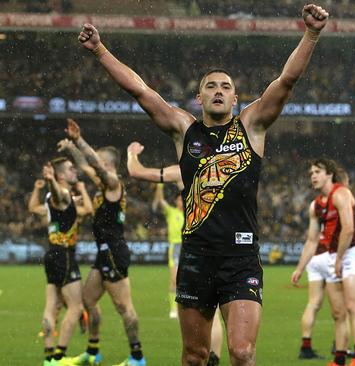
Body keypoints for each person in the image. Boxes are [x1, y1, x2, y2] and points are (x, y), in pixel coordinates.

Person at [78, 4, 329, 365]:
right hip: (196, 257)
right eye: (210, 86)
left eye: (225, 87)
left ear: (235, 98)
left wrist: (311, 34)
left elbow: (286, 81)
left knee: (242, 352)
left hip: (240, 258)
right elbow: (141, 91)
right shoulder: (185, 130)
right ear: (199, 98)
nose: (218, 91)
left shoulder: (251, 126)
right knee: (195, 356)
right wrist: (101, 51)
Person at [126, 141, 224, 366]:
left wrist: (132, 154)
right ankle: (214, 359)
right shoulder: (226, 172)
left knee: (198, 314)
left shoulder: (185, 171)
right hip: (220, 247)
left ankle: (198, 358)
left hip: (194, 250)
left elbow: (136, 172)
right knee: (216, 312)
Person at [58, 120, 146, 366]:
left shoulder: (113, 184)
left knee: (123, 306)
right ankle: (93, 352)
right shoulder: (101, 185)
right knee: (86, 301)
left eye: (98, 159)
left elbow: (92, 164)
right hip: (103, 253)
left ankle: (137, 357)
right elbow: (86, 166)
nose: (94, 161)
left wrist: (79, 141)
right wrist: (71, 148)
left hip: (114, 253)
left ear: (106, 164)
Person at [291, 159, 355, 366]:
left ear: (329, 174)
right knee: (338, 312)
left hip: (351, 254)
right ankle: (340, 359)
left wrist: (339, 259)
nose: (313, 176)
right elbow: (311, 240)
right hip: (335, 257)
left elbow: (349, 229)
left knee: (352, 306)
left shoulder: (341, 194)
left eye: (317, 172)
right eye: (311, 173)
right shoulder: (315, 205)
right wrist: (299, 268)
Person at [29, 158, 92, 366]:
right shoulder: (62, 194)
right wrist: (50, 181)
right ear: (61, 176)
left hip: (51, 255)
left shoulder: (55, 198)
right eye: (71, 169)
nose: (75, 171)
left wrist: (49, 183)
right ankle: (59, 356)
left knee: (52, 306)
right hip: (64, 255)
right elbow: (59, 194)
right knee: (75, 307)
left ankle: (49, 358)